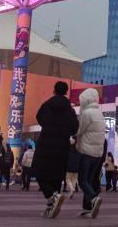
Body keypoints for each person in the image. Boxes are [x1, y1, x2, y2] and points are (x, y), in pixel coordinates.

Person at [33, 80, 79, 219]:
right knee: (57, 177)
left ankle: (52, 197)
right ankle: (53, 202)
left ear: (54, 90)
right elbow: (74, 128)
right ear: (66, 92)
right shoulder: (70, 110)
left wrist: (48, 126)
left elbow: (39, 118)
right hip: (62, 146)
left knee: (39, 173)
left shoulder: (47, 105)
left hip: (45, 144)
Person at [74, 87, 107, 218]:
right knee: (89, 180)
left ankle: (94, 198)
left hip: (86, 152)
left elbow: (78, 131)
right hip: (98, 154)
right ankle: (87, 208)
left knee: (82, 180)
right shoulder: (99, 113)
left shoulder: (87, 113)